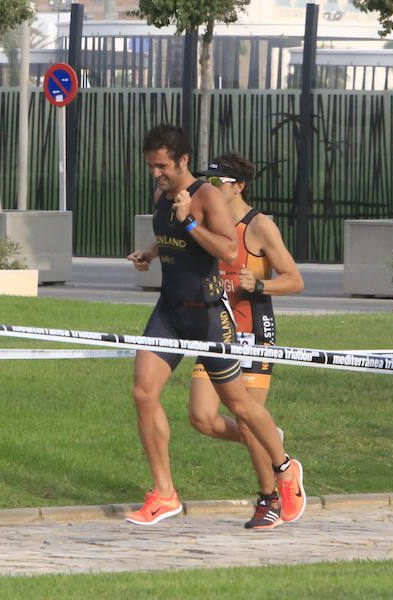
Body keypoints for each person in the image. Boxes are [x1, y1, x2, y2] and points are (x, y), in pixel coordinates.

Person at [125, 125, 305, 526]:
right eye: (152, 166)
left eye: (163, 166)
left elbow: (228, 250)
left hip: (208, 316)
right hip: (170, 312)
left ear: (183, 161)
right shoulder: (162, 197)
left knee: (240, 406)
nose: (156, 174)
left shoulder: (206, 197)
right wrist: (152, 253)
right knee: (143, 391)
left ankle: (283, 467)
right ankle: (165, 494)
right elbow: (172, 234)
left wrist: (190, 222)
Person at [187, 152, 304, 530]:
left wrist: (260, 283)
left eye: (217, 182)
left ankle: (269, 498)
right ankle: (273, 441)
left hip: (253, 331)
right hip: (215, 331)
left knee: (245, 416)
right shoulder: (206, 223)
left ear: (239, 186)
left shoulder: (258, 226)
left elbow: (295, 279)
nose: (209, 188)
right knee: (201, 417)